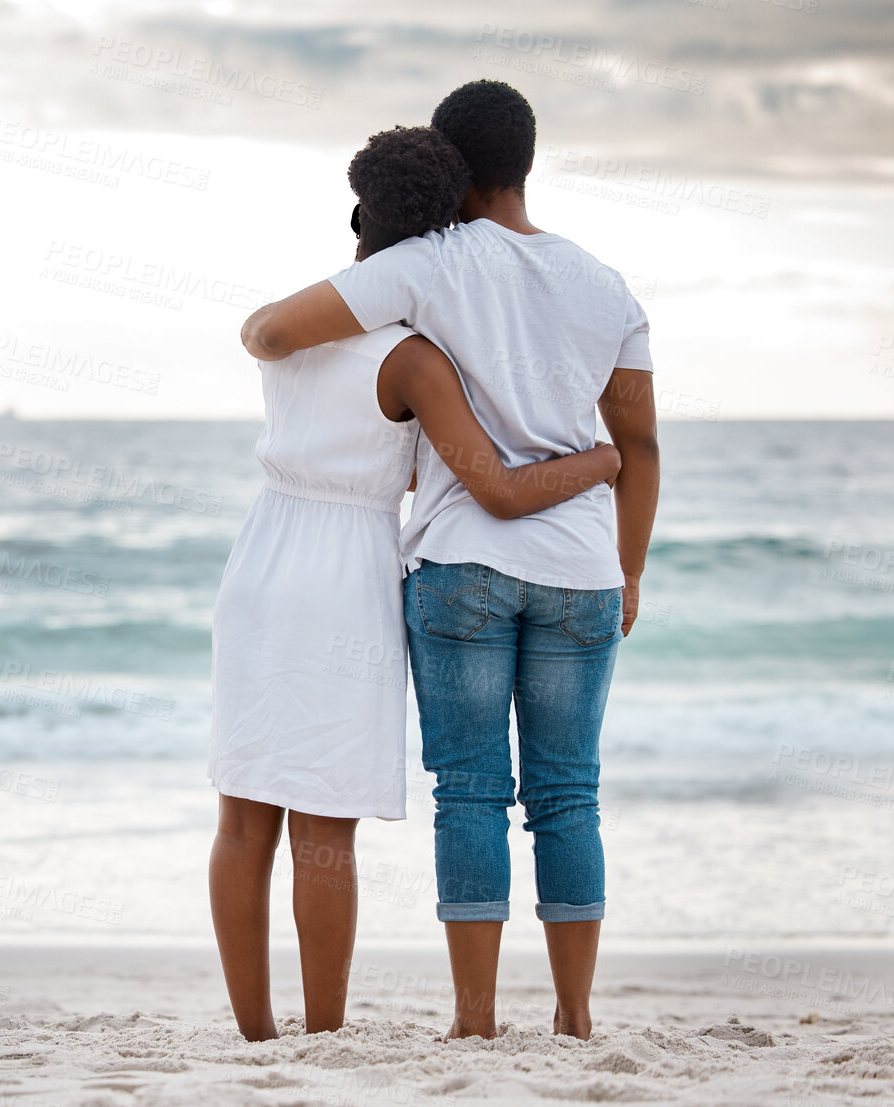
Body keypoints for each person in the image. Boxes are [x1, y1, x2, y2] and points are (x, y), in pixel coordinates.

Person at [238, 80, 661, 1041]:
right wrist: (628, 569)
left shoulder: (426, 262)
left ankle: (474, 1023)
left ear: (450, 166)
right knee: (568, 793)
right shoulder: (606, 285)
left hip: (462, 563)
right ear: (526, 161)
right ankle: (574, 1017)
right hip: (581, 567)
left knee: (469, 790)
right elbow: (637, 448)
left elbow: (274, 333)